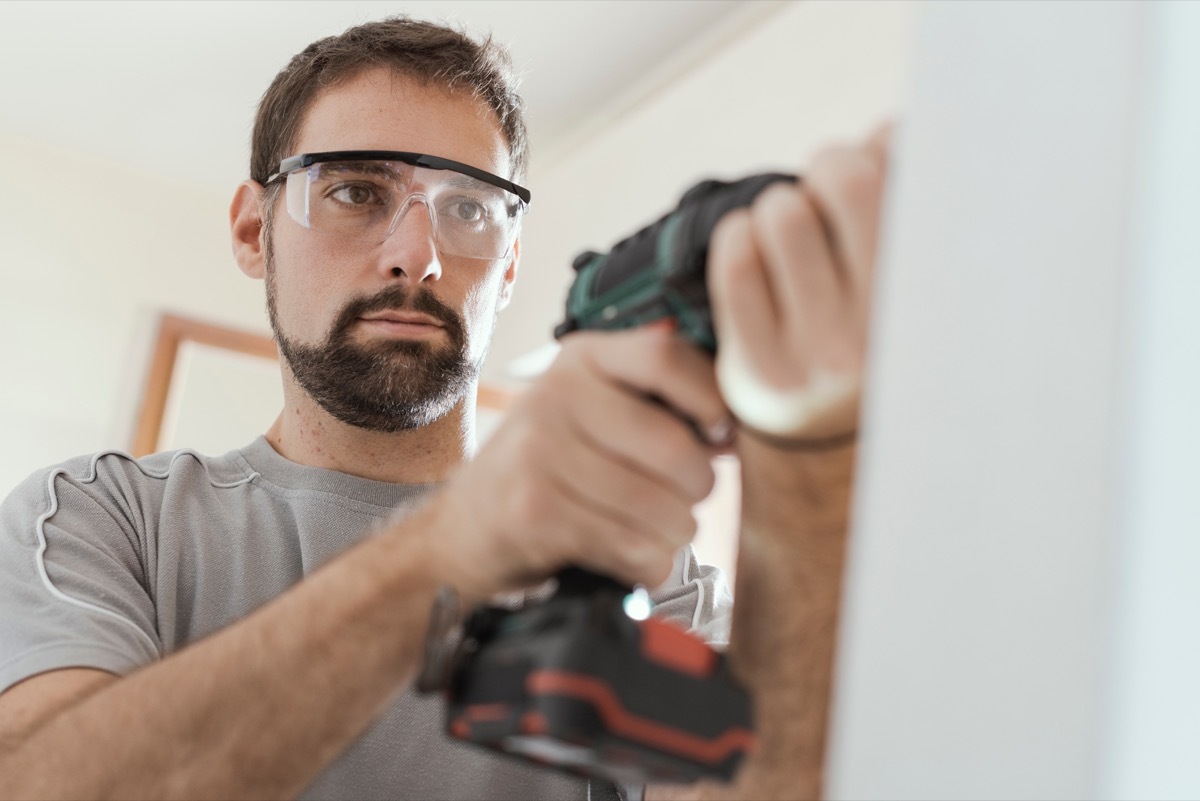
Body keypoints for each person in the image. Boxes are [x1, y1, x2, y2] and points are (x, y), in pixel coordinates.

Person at [0, 16, 886, 801]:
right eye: (355, 191)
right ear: (249, 230)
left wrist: (809, 459)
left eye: (468, 207)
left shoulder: (639, 562)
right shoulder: (99, 518)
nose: (416, 256)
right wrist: (452, 548)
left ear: (508, 265)